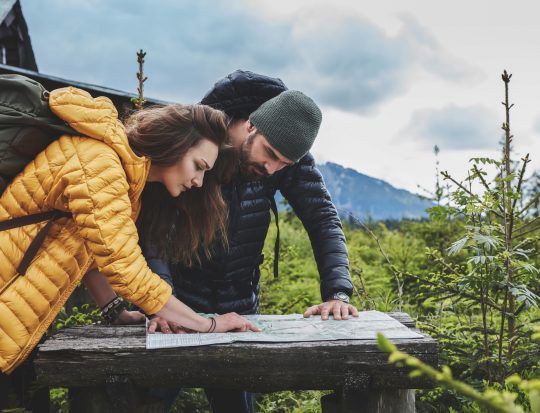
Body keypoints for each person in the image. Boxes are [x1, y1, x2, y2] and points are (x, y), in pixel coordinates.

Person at [0, 86, 259, 408]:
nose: (199, 182)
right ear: (175, 145)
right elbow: (124, 268)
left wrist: (116, 312)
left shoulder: (118, 172)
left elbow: (92, 253)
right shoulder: (100, 164)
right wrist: (209, 324)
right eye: (199, 166)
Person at [146, 71, 358, 413]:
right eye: (269, 154)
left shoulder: (285, 149)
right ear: (249, 125)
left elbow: (323, 218)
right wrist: (161, 296)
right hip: (176, 305)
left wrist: (337, 292)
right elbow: (154, 223)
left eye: (283, 164)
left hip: (241, 308)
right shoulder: (197, 139)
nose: (272, 169)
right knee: (149, 402)